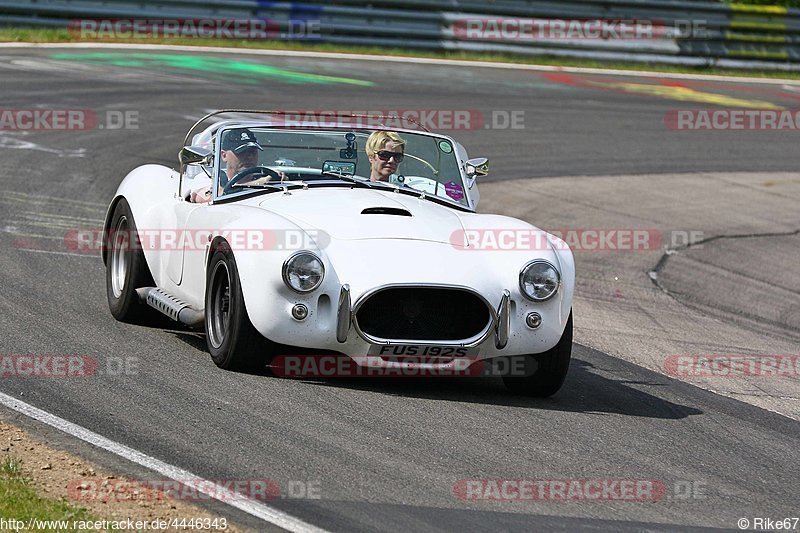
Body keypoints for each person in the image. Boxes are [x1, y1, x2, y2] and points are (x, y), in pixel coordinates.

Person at [190, 127, 264, 203]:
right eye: (242, 152)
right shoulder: (210, 178)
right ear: (224, 155)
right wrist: (259, 184)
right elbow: (207, 198)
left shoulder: (266, 178)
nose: (249, 157)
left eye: (253, 152)